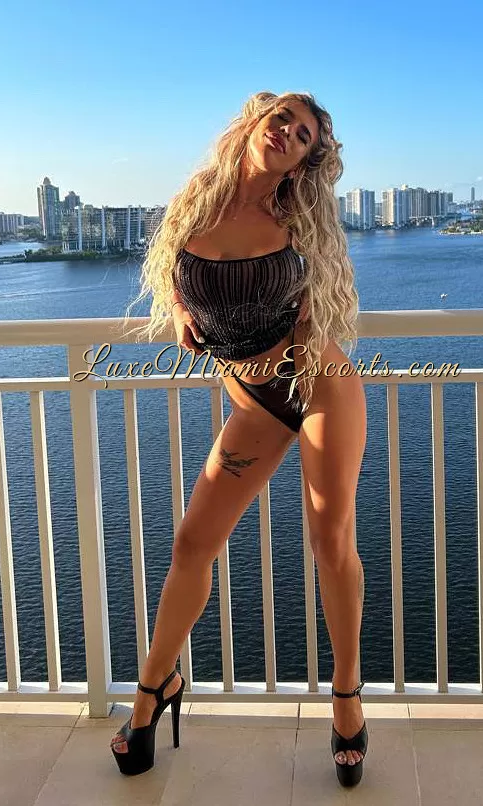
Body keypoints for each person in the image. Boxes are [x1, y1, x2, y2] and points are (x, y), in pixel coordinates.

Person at [114, 91, 368, 788]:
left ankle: (347, 699)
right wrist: (179, 308)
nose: (287, 132)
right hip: (253, 405)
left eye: (303, 134)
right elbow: (176, 273)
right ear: (255, 124)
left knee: (330, 541)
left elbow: (320, 298)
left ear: (304, 160)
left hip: (318, 387)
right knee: (192, 543)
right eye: (281, 118)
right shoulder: (194, 204)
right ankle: (153, 688)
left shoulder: (299, 218)